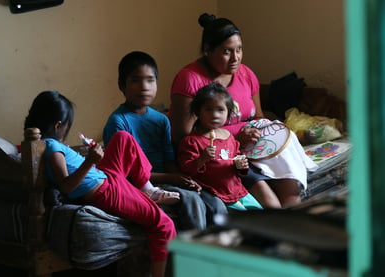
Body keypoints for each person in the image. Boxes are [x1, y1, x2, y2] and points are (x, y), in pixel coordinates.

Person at [170, 13, 316, 208]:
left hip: (249, 149)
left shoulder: (246, 74)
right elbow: (183, 136)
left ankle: (292, 228)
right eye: (227, 51)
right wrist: (235, 139)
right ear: (207, 49)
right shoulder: (190, 79)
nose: (235, 58)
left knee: (290, 182)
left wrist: (256, 136)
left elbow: (258, 118)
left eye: (239, 49)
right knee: (268, 199)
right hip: (219, 157)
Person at [24, 90, 175, 277]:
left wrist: (93, 159)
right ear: (58, 125)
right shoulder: (53, 148)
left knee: (123, 138)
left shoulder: (44, 146)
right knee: (163, 224)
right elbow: (66, 186)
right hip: (105, 191)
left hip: (105, 176)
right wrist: (90, 161)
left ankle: (147, 188)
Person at [103, 51, 227, 230]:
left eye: (150, 80)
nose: (144, 87)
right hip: (140, 184)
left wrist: (184, 179)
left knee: (215, 202)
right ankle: (193, 253)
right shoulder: (118, 122)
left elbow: (169, 160)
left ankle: (222, 250)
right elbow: (123, 175)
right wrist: (172, 178)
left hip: (166, 178)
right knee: (191, 200)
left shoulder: (161, 120)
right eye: (136, 80)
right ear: (122, 85)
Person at [177, 82, 263, 211]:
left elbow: (235, 162)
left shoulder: (228, 136)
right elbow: (186, 170)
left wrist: (241, 165)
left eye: (220, 110)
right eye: (208, 109)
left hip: (236, 189)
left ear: (228, 112)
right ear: (198, 112)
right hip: (214, 193)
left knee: (260, 213)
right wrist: (202, 159)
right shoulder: (192, 141)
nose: (215, 115)